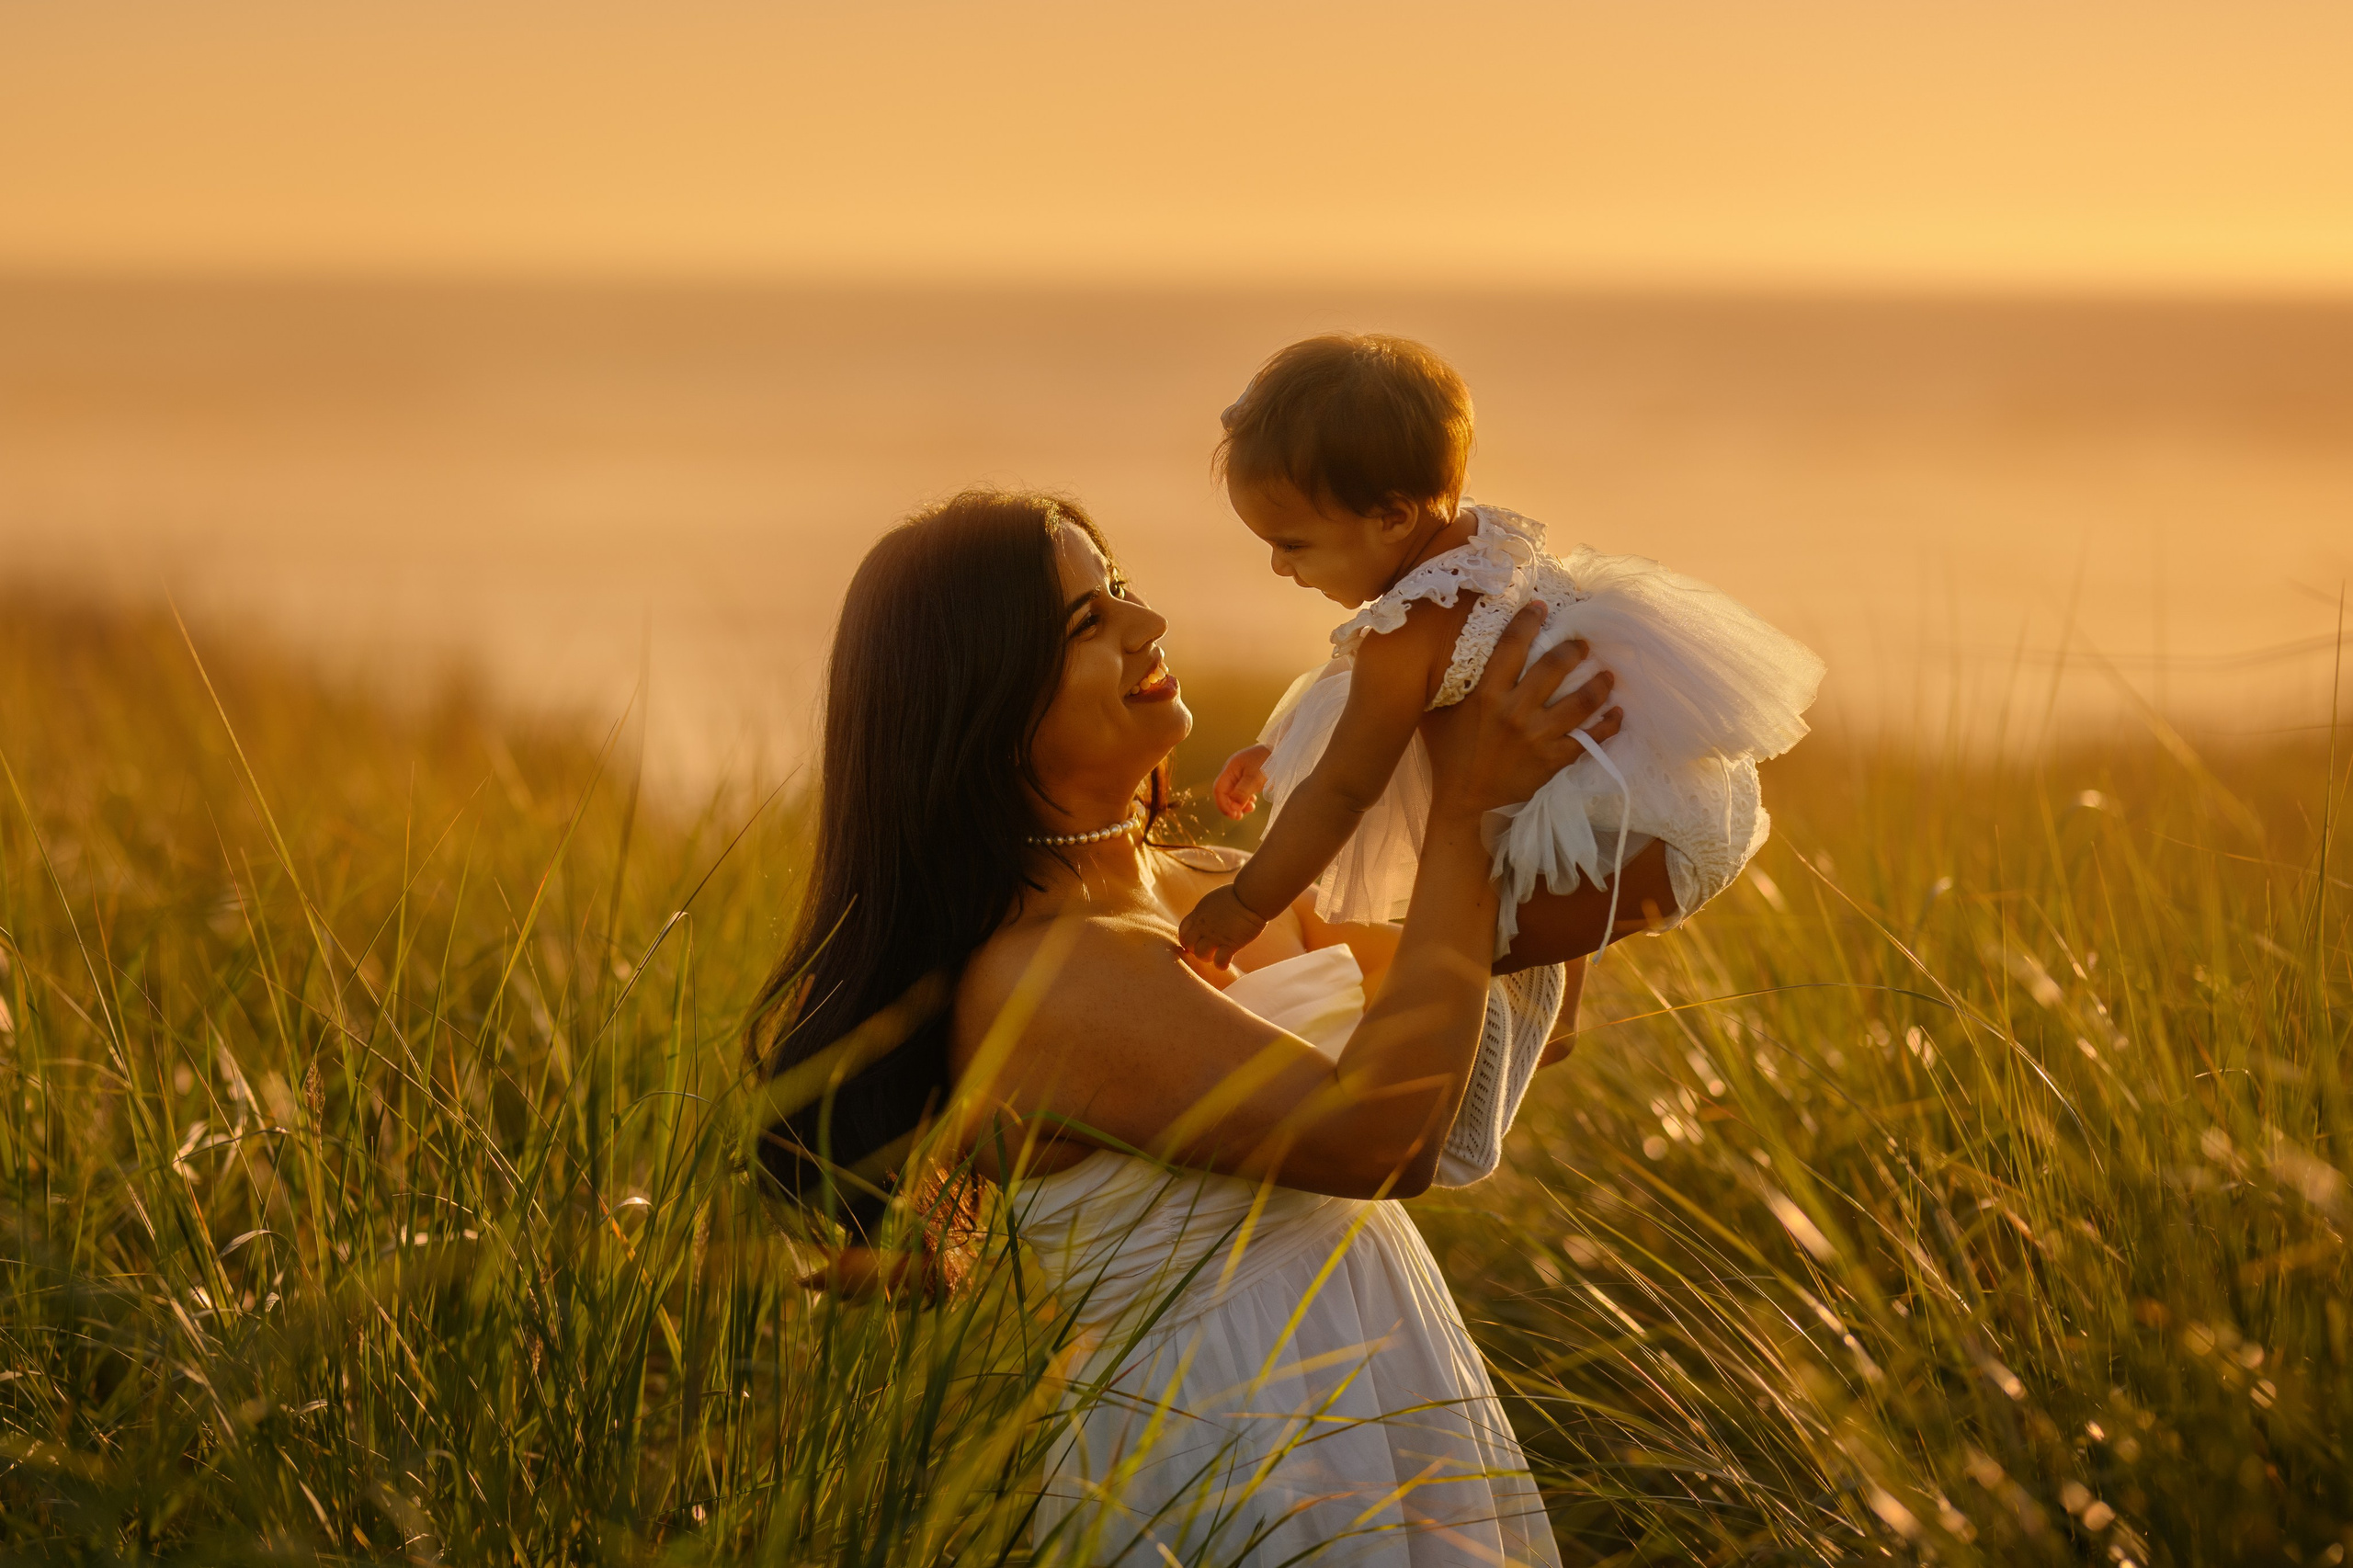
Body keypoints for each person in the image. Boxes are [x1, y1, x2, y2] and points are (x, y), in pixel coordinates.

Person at [750, 488, 1671, 1564]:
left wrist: (1551, 778)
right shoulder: (1048, 972)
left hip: (1388, 1383)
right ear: (980, 698)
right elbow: (1383, 1140)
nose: (1147, 624)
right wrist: (1467, 810)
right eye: (1086, 622)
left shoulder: (1220, 884)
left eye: (1120, 588)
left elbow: (1495, 1011)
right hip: (1234, 1439)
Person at [1179, 334, 1824, 971]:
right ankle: (1559, 1019)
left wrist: (1248, 902)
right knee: (1504, 924)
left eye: (1292, 545)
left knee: (1441, 964)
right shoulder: (1488, 548)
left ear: (1393, 518)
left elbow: (1343, 789)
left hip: (1623, 841)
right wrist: (1282, 749)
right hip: (1688, 803)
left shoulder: (1405, 635)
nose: (1278, 567)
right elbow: (1366, 699)